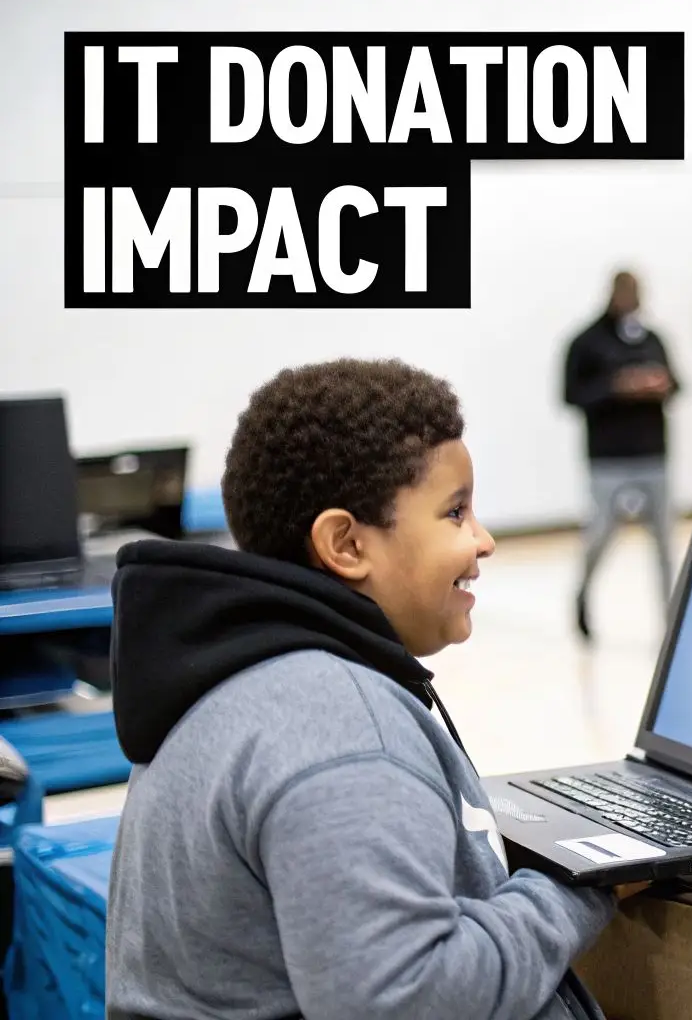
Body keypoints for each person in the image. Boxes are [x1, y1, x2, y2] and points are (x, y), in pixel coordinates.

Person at [105, 358, 638, 1020]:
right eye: (455, 513)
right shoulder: (337, 723)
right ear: (345, 545)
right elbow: (406, 1003)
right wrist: (578, 884)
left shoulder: (239, 677)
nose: (485, 540)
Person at [563, 269, 682, 641]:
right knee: (600, 535)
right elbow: (570, 395)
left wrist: (659, 385)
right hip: (609, 460)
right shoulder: (585, 342)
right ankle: (582, 596)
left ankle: (670, 620)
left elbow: (678, 384)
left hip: (653, 455)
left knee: (664, 543)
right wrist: (616, 387)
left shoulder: (653, 340)